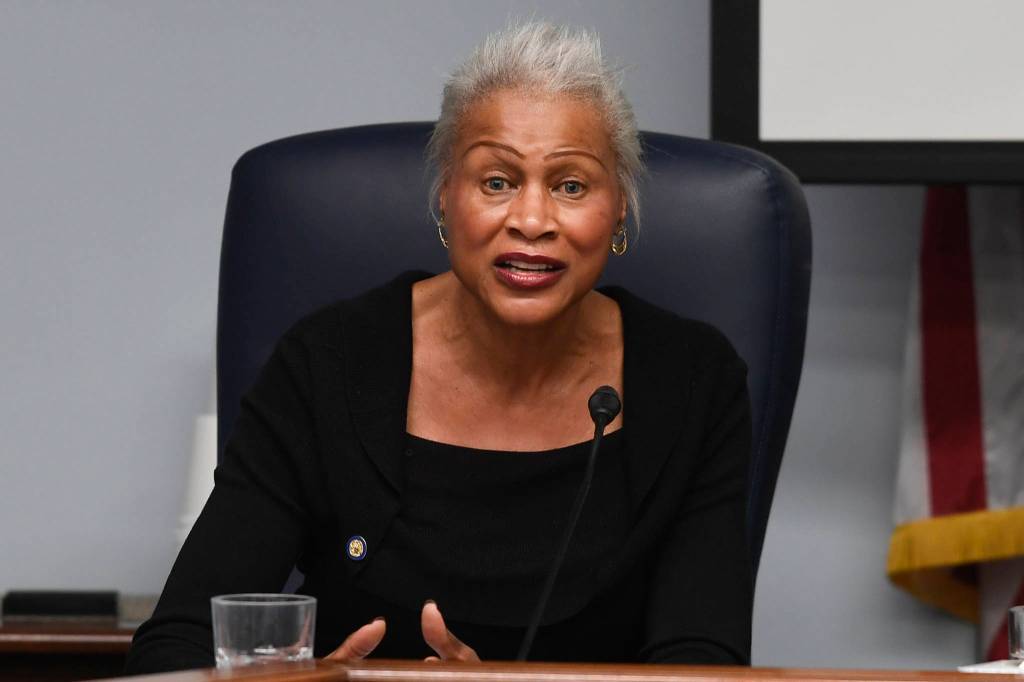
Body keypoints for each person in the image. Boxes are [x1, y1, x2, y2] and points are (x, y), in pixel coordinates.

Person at [125, 21, 752, 673]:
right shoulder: (327, 364)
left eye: (571, 185)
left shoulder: (693, 381)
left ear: (618, 207)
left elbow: (703, 662)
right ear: (446, 196)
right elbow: (176, 646)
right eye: (496, 181)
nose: (532, 221)